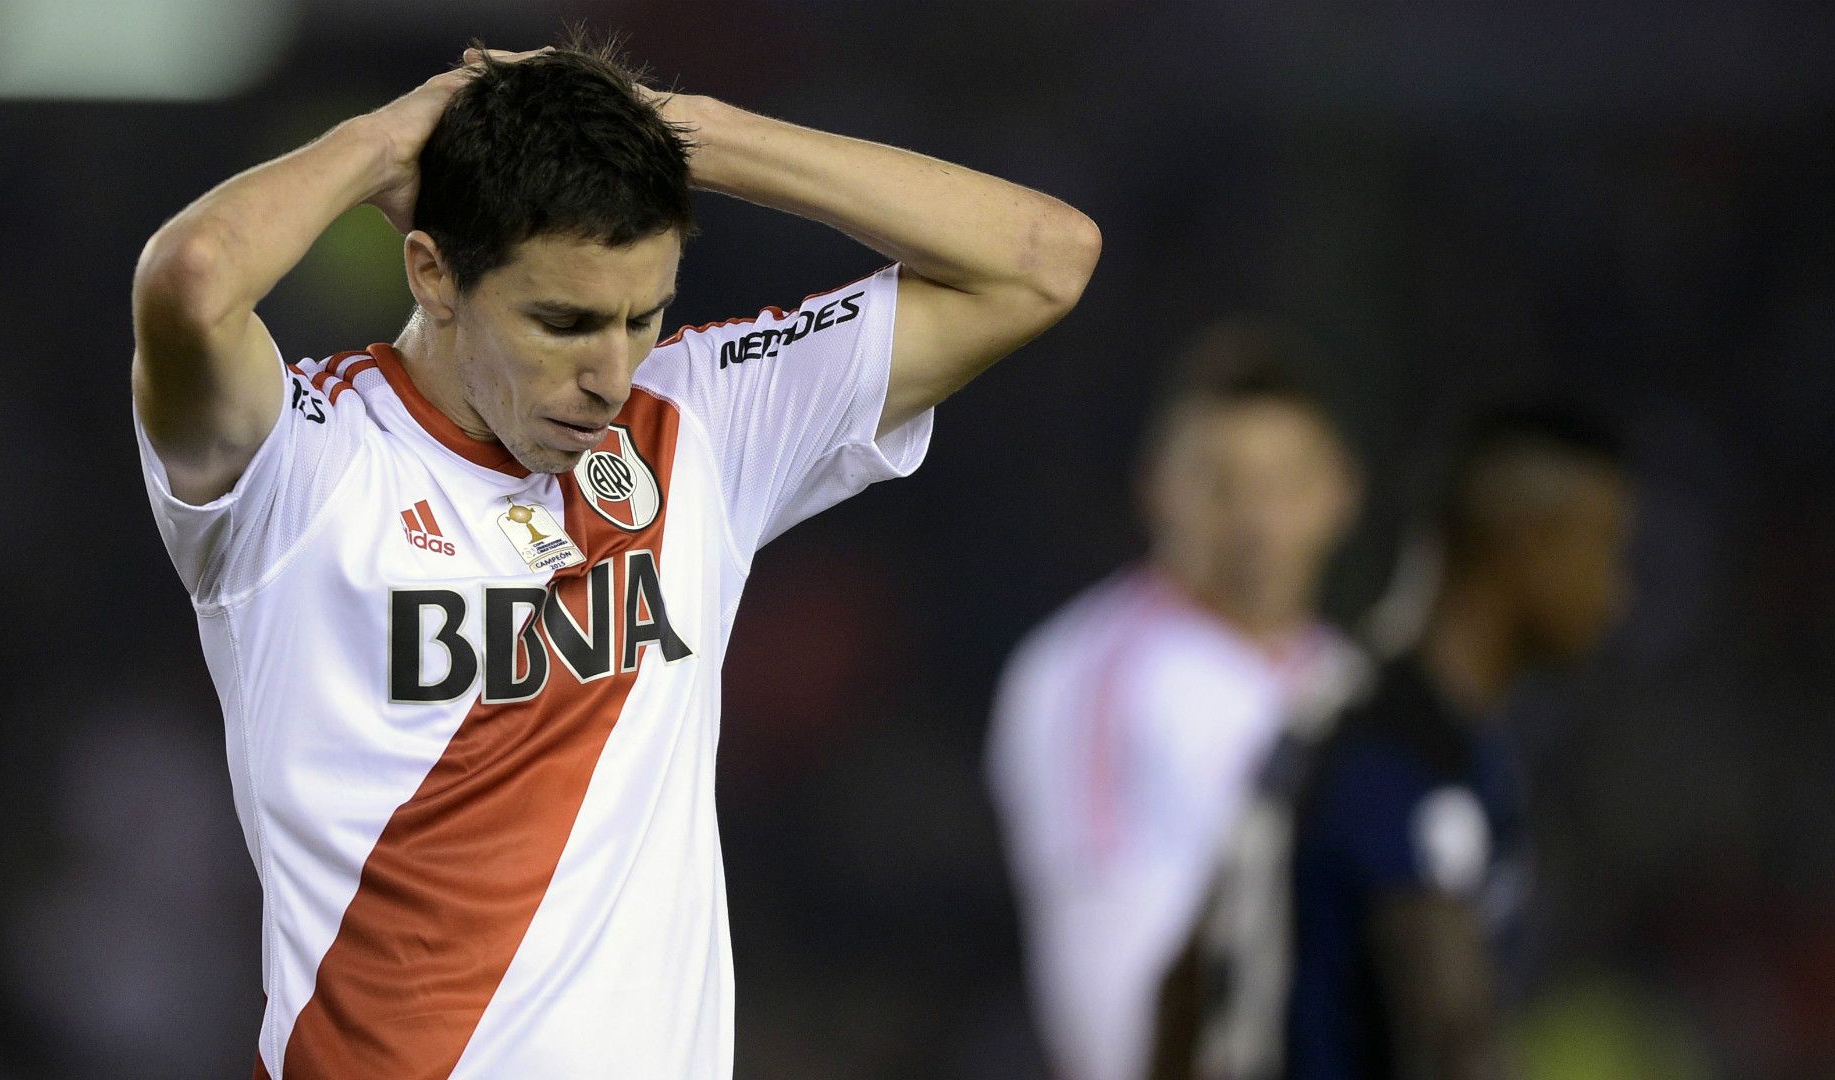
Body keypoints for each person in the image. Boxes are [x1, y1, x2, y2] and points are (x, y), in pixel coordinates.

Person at [128, 38, 1098, 1080]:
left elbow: (1044, 256)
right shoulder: (299, 469)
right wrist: (383, 142)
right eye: (563, 321)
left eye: (644, 317)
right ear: (434, 274)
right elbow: (190, 282)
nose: (607, 373)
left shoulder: (698, 426)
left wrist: (690, 133)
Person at [1148, 407, 1634, 1080]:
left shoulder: (1331, 717)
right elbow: (1454, 1040)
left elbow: (1183, 989)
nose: (1615, 594)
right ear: (1526, 544)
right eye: (1602, 545)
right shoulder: (1403, 759)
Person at [987, 321, 1367, 1080]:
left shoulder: (1356, 685)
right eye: (1221, 484)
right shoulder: (1093, 680)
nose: (1256, 521)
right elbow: (1109, 995)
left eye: (1284, 484)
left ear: (1338, 494)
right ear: (1158, 487)